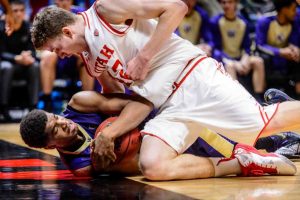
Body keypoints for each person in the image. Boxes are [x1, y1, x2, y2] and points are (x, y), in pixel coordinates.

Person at [30, 1, 300, 180]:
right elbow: (122, 99)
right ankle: (244, 161)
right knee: (153, 166)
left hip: (192, 76)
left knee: (264, 124)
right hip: (165, 105)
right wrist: (112, 134)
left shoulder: (105, 10)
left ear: (66, 32)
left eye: (55, 48)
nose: (59, 55)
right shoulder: (89, 59)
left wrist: (144, 57)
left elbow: (176, 7)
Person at [19, 91, 297, 178]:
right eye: (55, 129)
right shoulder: (80, 167)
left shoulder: (79, 104)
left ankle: (273, 118)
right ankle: (283, 142)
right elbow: (135, 164)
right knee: (219, 146)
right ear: (49, 146)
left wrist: (112, 132)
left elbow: (142, 101)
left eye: (56, 117)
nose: (63, 123)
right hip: (156, 142)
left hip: (160, 110)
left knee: (229, 129)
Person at [39, 0, 95, 112]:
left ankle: (87, 103)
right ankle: (47, 100)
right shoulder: (46, 13)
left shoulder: (80, 12)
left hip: (76, 53)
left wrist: (75, 51)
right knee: (47, 56)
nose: (63, 2)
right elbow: (42, 43)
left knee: (85, 58)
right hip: (56, 55)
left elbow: (88, 41)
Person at [210, 0, 265, 102]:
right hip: (224, 58)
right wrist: (234, 62)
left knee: (258, 61)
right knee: (230, 66)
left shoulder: (243, 22)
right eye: (223, 2)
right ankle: (237, 100)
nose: (226, 5)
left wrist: (244, 59)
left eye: (229, 2)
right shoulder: (215, 21)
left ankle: (259, 98)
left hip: (239, 57)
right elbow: (216, 48)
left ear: (236, 3)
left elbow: (247, 47)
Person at [0, 0, 39, 122]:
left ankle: (33, 107)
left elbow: (33, 51)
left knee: (35, 65)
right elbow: (1, 52)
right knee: (7, 66)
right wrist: (16, 58)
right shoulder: (2, 26)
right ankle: (3, 108)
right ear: (9, 12)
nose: (18, 14)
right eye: (15, 11)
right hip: (6, 62)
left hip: (23, 64)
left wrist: (28, 56)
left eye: (21, 10)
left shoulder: (28, 26)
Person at [256, 0, 300, 99]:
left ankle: (298, 96)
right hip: (269, 58)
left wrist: (295, 49)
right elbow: (260, 45)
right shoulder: (265, 21)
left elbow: (293, 41)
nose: (296, 12)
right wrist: (280, 52)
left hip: (286, 59)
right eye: (293, 9)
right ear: (284, 10)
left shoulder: (294, 21)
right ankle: (260, 98)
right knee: (262, 59)